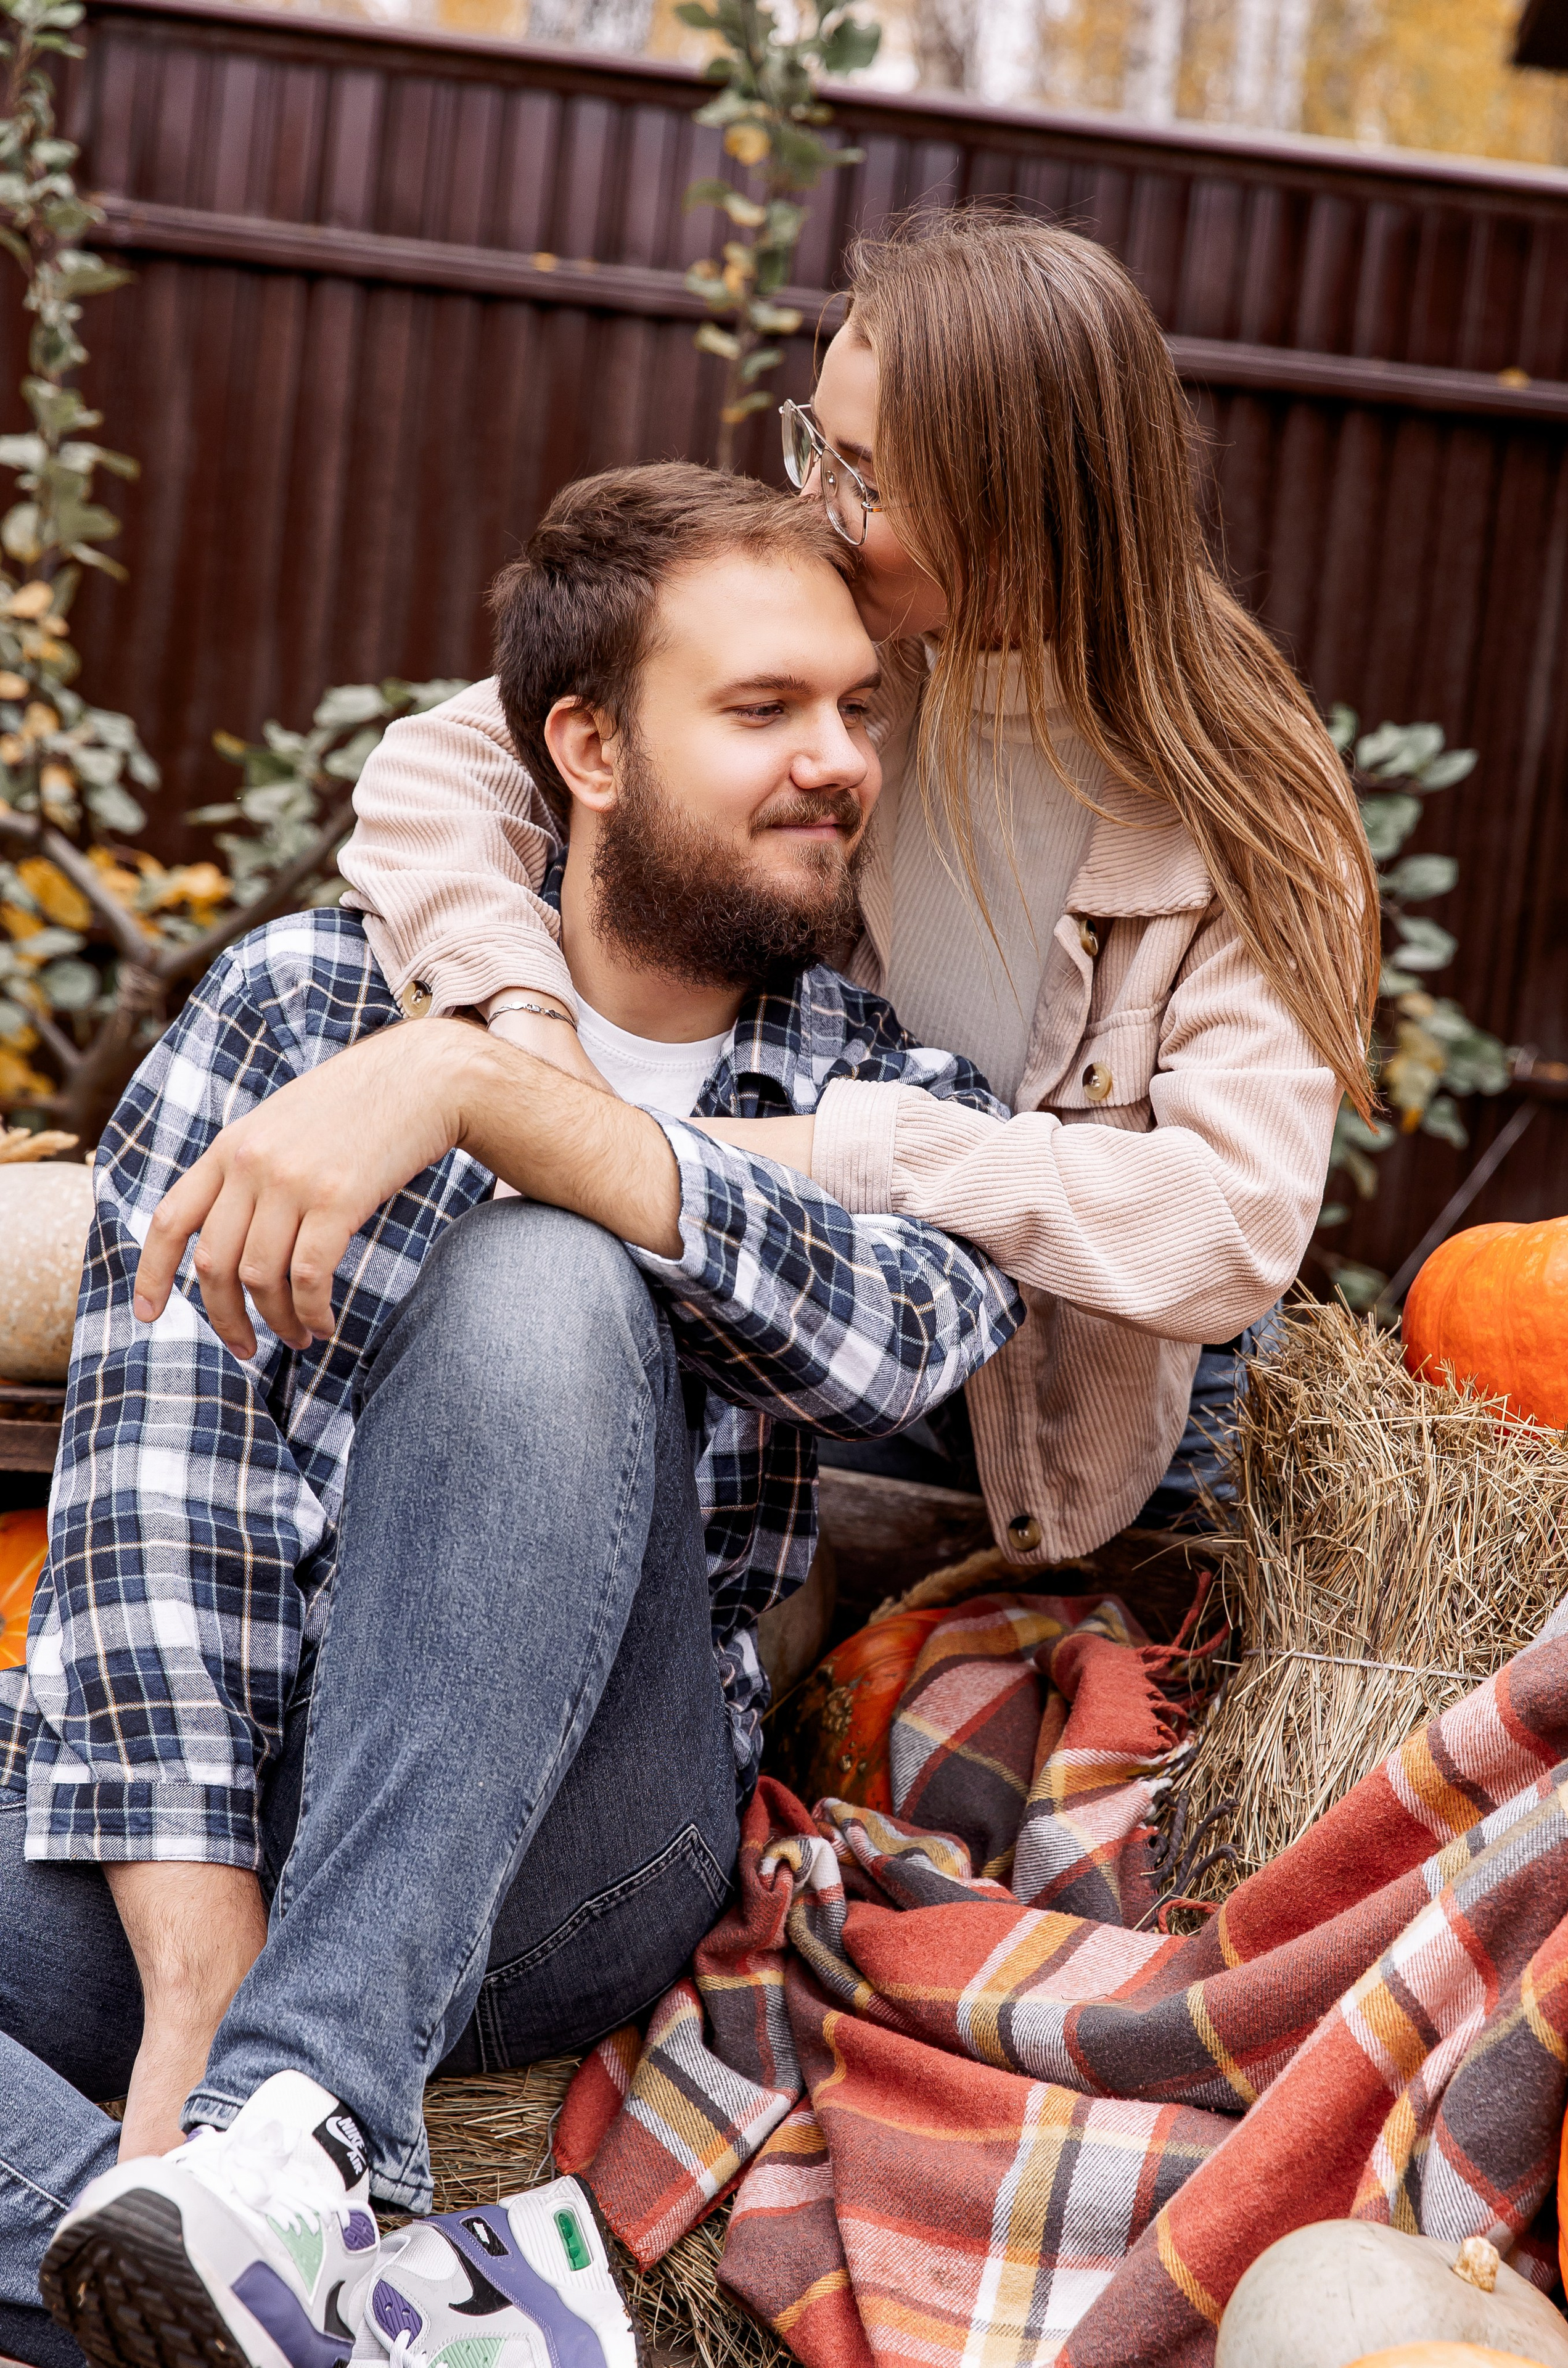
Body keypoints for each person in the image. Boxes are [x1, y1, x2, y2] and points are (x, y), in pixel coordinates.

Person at [0, 465, 1022, 2368]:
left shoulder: (895, 1089)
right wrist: (197, 1961)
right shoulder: (302, 1006)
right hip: (232, 1798)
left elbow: (906, 1345)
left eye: (858, 710)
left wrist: (504, 1106)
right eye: (764, 711)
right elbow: (162, 1487)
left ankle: (301, 2117)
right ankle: (336, 2314)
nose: (839, 760)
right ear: (587, 745)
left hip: (580, 1841)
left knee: (541, 1275)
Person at [316, 210, 1379, 1561]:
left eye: (863, 474)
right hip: (795, 1309)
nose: (816, 503)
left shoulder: (1244, 799)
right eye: (812, 440)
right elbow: (444, 771)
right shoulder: (818, 643)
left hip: (1077, 1427)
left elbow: (1228, 1226)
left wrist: (840, 1153)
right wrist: (524, 1040)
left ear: (1017, 501)